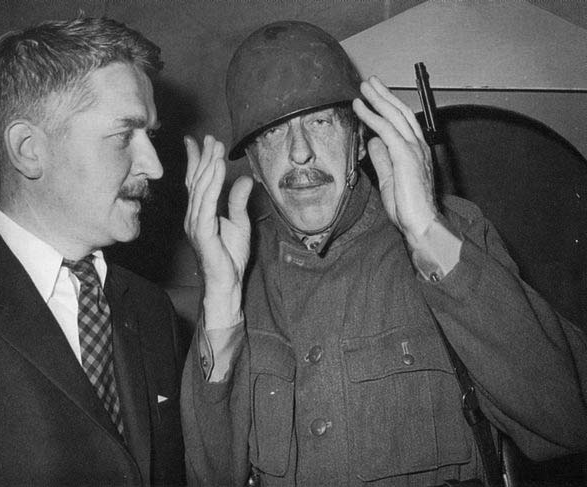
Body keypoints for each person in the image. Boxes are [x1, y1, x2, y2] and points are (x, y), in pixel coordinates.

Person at [180, 20, 587, 486]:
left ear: (357, 141)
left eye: (319, 122)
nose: (299, 154)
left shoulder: (452, 231)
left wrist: (426, 233)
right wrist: (220, 301)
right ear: (253, 162)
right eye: (273, 132)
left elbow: (568, 422)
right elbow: (209, 477)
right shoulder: (239, 272)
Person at [0, 17, 187, 486]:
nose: (155, 166)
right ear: (29, 149)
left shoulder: (151, 309)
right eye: (124, 135)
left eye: (150, 137)